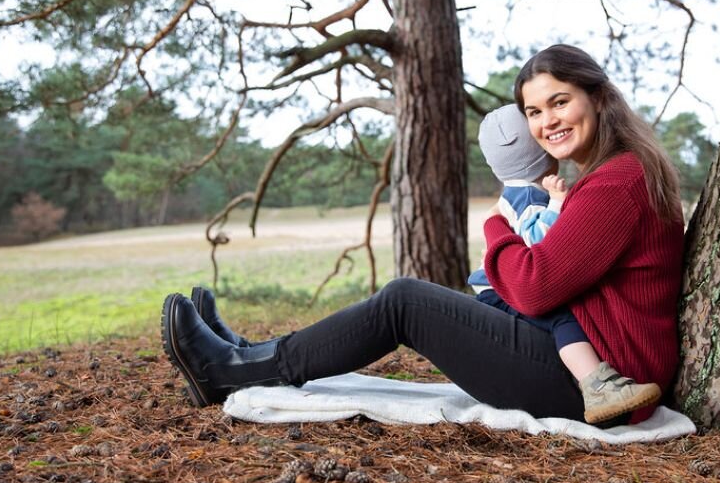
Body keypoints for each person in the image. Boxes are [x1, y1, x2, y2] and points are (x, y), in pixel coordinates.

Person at [161, 44, 684, 425]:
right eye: (533, 111)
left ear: (596, 97)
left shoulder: (617, 182)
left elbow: (533, 287)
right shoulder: (615, 174)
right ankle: (252, 356)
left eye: (560, 102)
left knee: (405, 301)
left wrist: (498, 226)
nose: (547, 121)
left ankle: (231, 369)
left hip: (604, 384)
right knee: (414, 299)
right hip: (586, 360)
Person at [468, 104, 662, 423]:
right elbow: (537, 244)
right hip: (498, 291)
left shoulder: (515, 192)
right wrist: (558, 204)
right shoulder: (531, 197)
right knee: (564, 318)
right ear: (541, 152)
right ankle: (598, 386)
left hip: (497, 288)